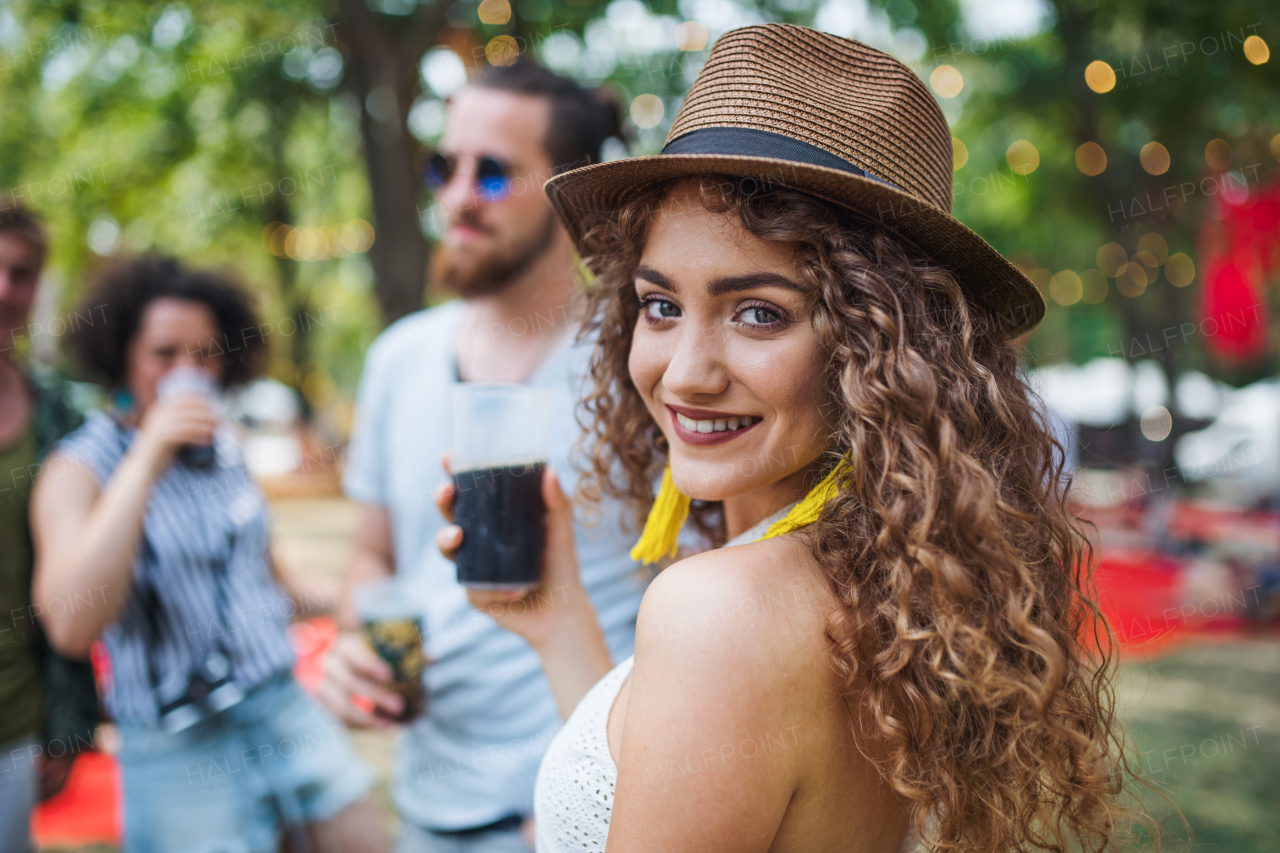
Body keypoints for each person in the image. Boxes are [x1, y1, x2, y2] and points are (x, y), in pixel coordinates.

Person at [437, 24, 1145, 852]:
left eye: (759, 313)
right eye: (660, 305)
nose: (686, 372)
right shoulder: (889, 583)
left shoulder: (721, 611)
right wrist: (557, 619)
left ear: (878, 345)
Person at [317, 59, 647, 852]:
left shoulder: (644, 362)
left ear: (572, 190)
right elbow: (373, 554)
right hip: (427, 810)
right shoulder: (400, 356)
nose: (459, 195)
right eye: (445, 166)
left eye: (493, 173)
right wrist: (360, 647)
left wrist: (582, 793)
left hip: (578, 814)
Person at [30, 255, 387, 853]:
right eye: (165, 355)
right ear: (122, 356)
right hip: (176, 744)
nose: (189, 373)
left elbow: (272, 581)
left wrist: (362, 596)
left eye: (205, 355)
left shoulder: (225, 447)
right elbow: (70, 624)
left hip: (280, 706)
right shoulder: (80, 466)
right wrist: (147, 454)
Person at [0, 205, 99, 853]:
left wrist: (68, 724)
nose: (5, 288)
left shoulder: (59, 412)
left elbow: (79, 581)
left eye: (22, 272)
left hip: (17, 718)